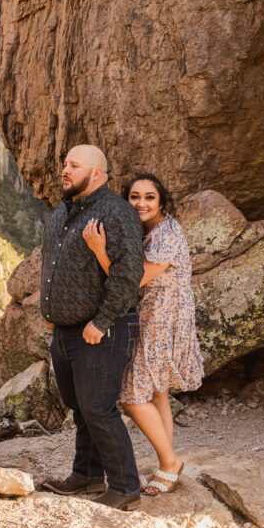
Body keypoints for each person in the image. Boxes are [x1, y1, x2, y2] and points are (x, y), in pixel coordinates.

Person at [82, 173, 204, 496]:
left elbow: (132, 280)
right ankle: (167, 464)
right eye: (134, 197)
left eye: (149, 197)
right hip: (156, 316)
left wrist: (98, 249)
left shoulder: (167, 234)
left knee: (132, 396)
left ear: (161, 202)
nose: (141, 203)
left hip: (163, 320)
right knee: (157, 392)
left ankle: (170, 461)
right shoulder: (148, 230)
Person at [38, 145, 145, 511]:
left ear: (96, 174)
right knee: (80, 408)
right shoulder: (64, 210)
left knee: (98, 407)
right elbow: (52, 262)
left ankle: (126, 485)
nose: (64, 170)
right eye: (64, 164)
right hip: (66, 331)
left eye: (73, 166)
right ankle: (86, 474)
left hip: (102, 330)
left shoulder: (116, 213)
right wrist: (50, 308)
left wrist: (102, 321)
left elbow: (129, 275)